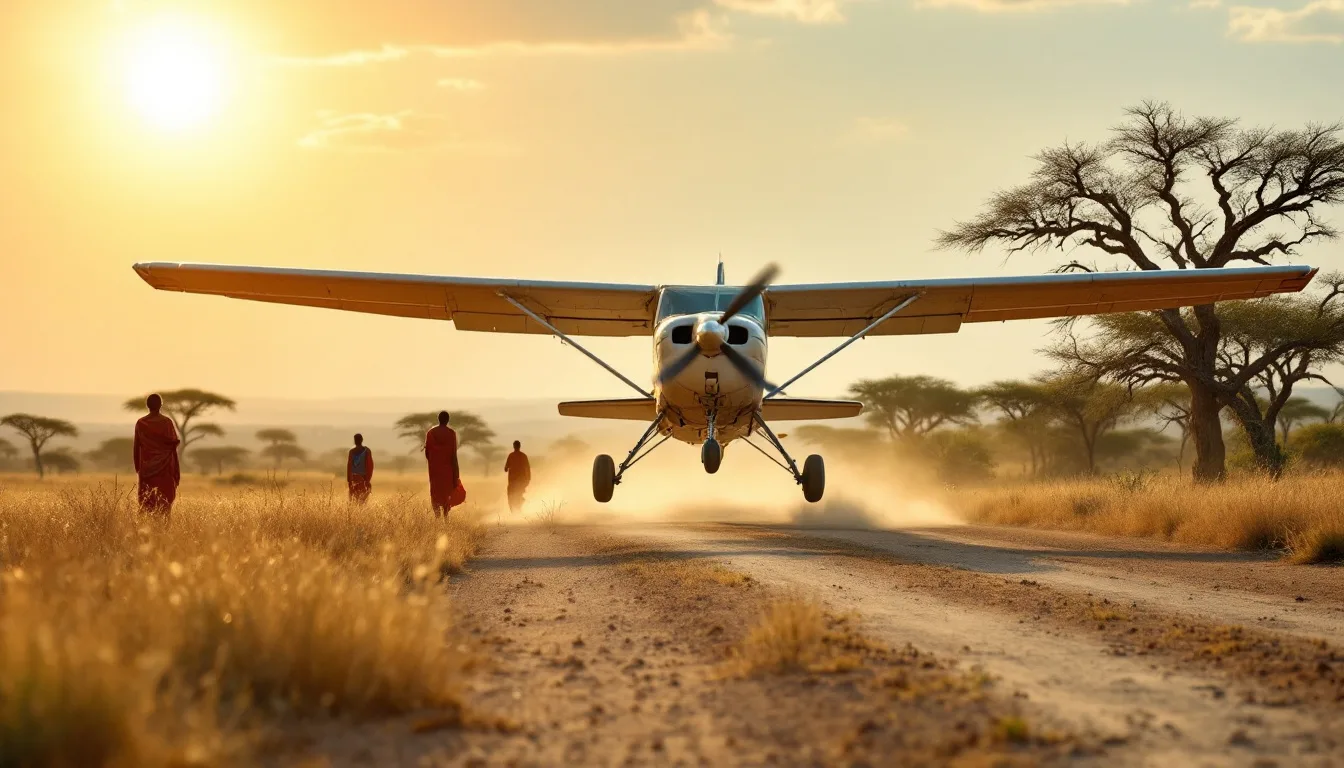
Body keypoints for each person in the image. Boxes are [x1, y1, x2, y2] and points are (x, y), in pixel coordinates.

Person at [133, 393, 181, 516]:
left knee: (147, 506)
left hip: (147, 470)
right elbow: (172, 447)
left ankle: (147, 528)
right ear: (161, 405)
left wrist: (139, 470)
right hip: (165, 470)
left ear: (147, 405)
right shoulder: (167, 422)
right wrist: (176, 471)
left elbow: (136, 448)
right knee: (165, 507)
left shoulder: (141, 423)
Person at [424, 411, 461, 517]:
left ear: (438, 419)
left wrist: (434, 462)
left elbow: (427, 453)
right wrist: (456, 473)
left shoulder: (431, 432)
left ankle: (437, 517)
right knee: (446, 493)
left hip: (434, 470)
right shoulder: (451, 433)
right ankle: (445, 517)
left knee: (435, 493)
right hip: (447, 470)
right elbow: (453, 455)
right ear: (448, 420)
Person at [504, 440, 531, 514]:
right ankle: (516, 510)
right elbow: (527, 468)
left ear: (514, 446)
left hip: (515, 481)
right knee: (516, 495)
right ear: (519, 446)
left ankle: (515, 511)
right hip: (517, 481)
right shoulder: (522, 456)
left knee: (512, 496)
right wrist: (528, 479)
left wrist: (528, 479)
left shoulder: (511, 455)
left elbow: (506, 468)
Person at [347, 433, 374, 504]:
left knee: (354, 501)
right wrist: (367, 480)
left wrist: (349, 480)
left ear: (354, 441)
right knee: (362, 501)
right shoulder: (367, 451)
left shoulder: (351, 451)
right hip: (362, 479)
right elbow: (370, 466)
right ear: (362, 440)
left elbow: (349, 467)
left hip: (354, 479)